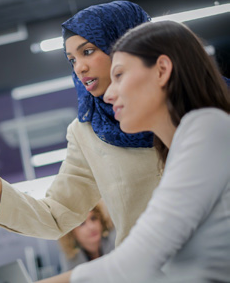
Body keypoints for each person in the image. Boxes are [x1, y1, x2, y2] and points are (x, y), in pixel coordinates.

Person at [0, 0, 161, 247]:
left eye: (88, 51)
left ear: (124, 45)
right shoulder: (87, 132)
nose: (80, 67)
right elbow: (55, 215)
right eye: (71, 59)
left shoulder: (194, 101)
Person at [38, 20, 230, 282]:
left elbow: (136, 261)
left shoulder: (207, 128)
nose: (108, 95)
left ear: (161, 70)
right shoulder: (180, 148)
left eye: (119, 75)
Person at [58, 201, 115, 271]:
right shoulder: (70, 258)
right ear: (71, 232)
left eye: (93, 218)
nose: (91, 227)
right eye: (82, 224)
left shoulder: (115, 240)